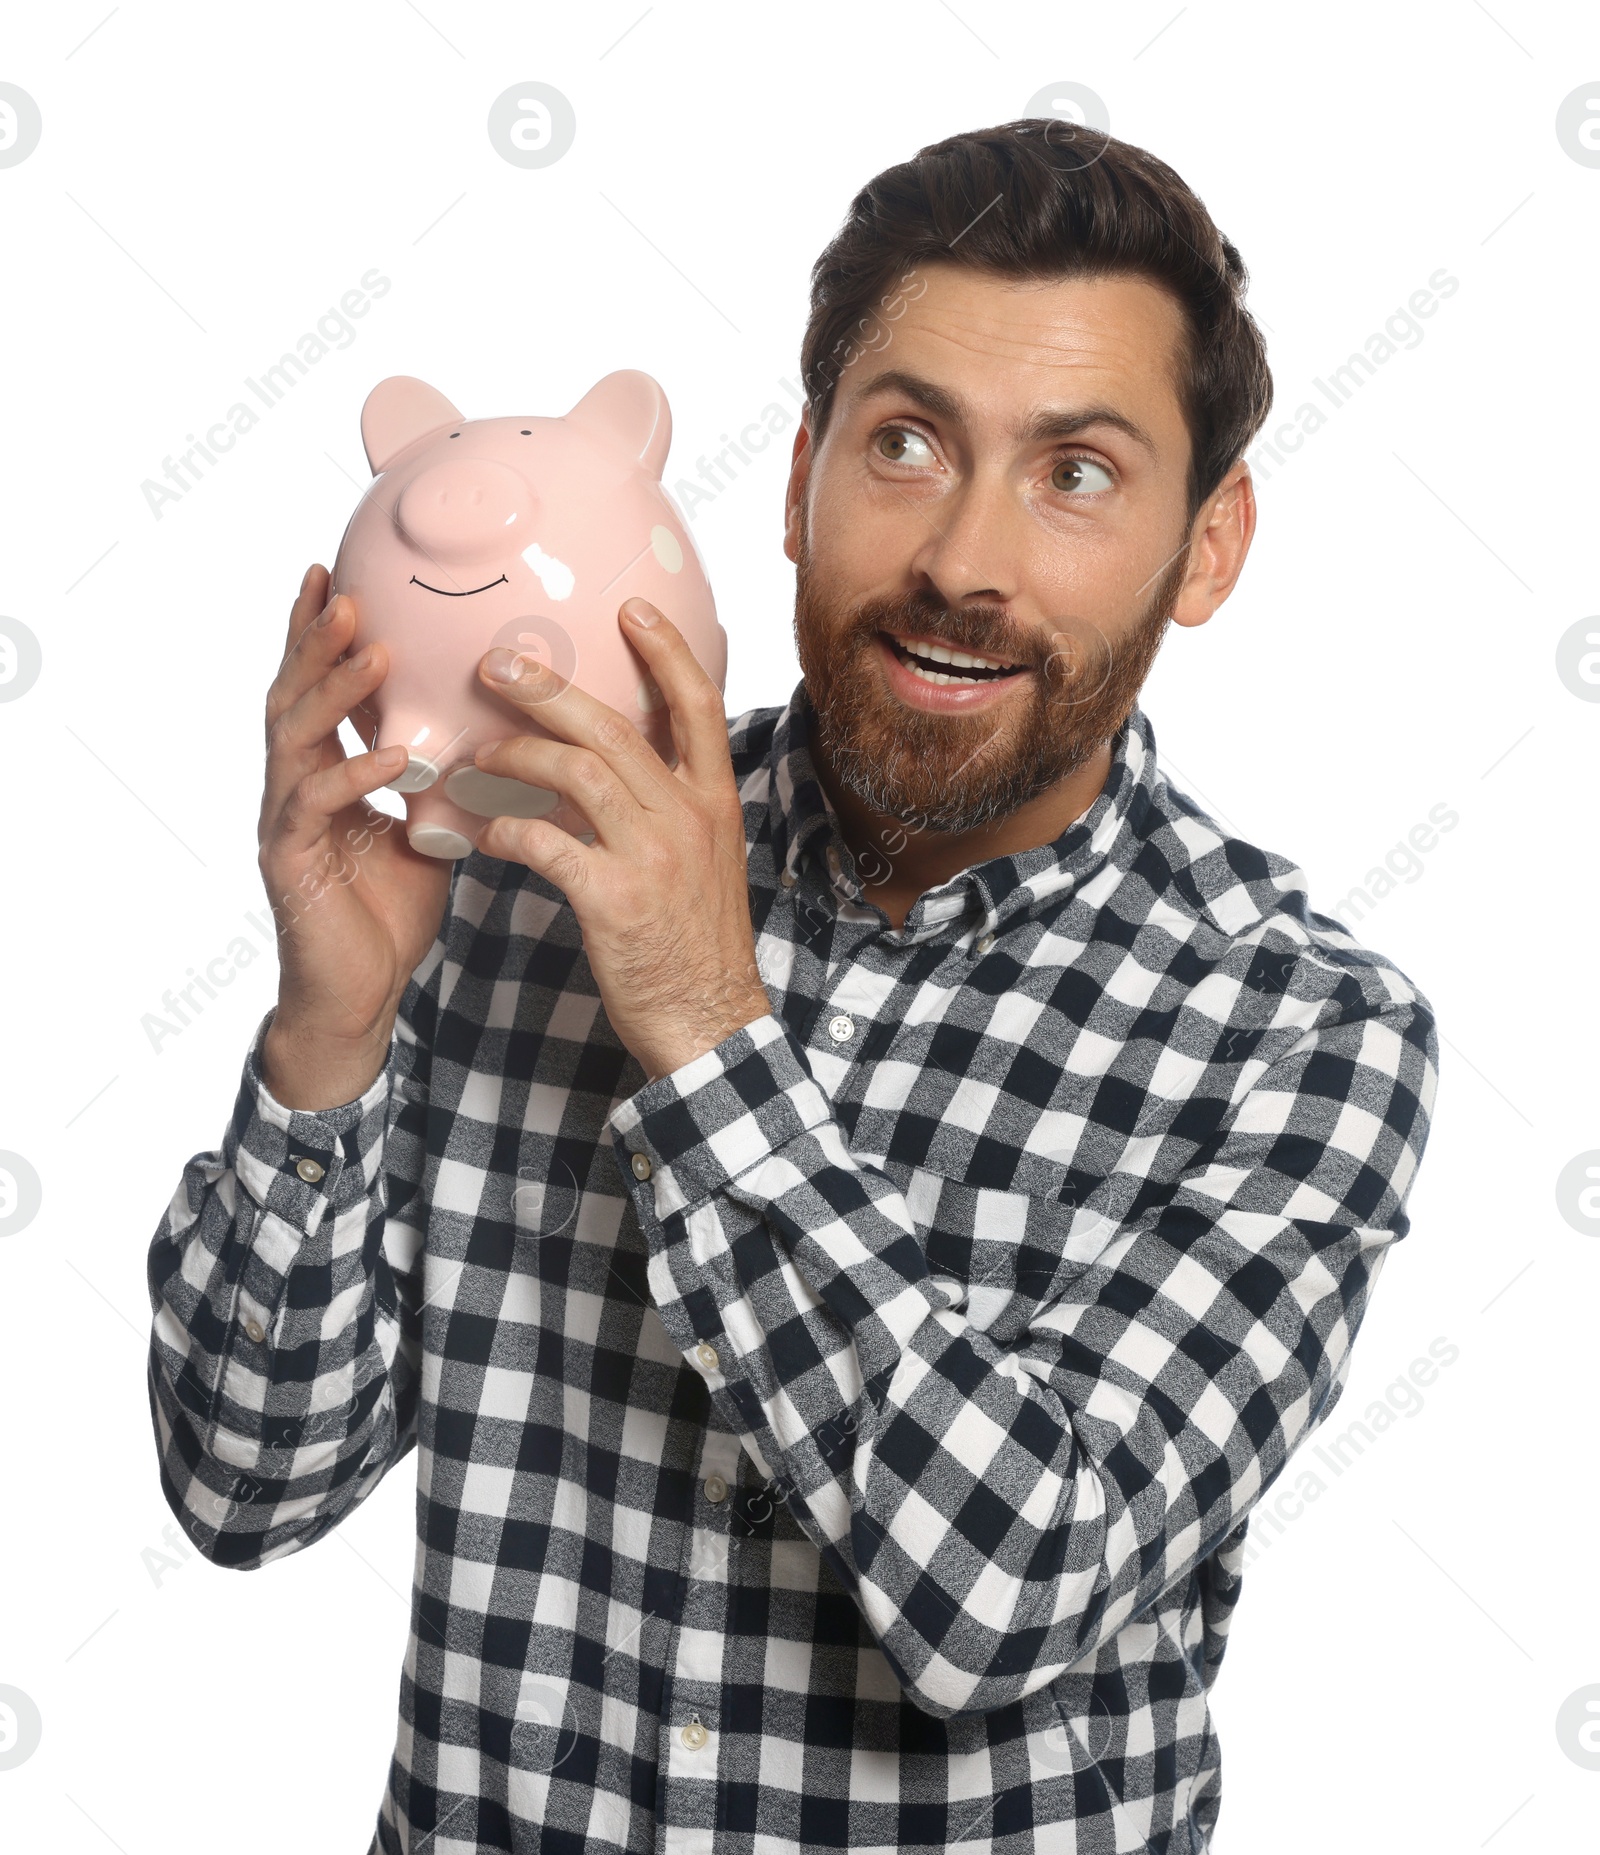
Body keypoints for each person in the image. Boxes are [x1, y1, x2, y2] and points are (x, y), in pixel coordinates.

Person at [145, 120, 1437, 1853]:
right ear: (798, 476)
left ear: (1207, 546)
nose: (967, 558)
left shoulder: (1301, 1038)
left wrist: (700, 1023)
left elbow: (1013, 1594)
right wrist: (330, 1031)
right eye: (906, 443)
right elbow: (244, 1484)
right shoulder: (522, 866)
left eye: (1075, 474)